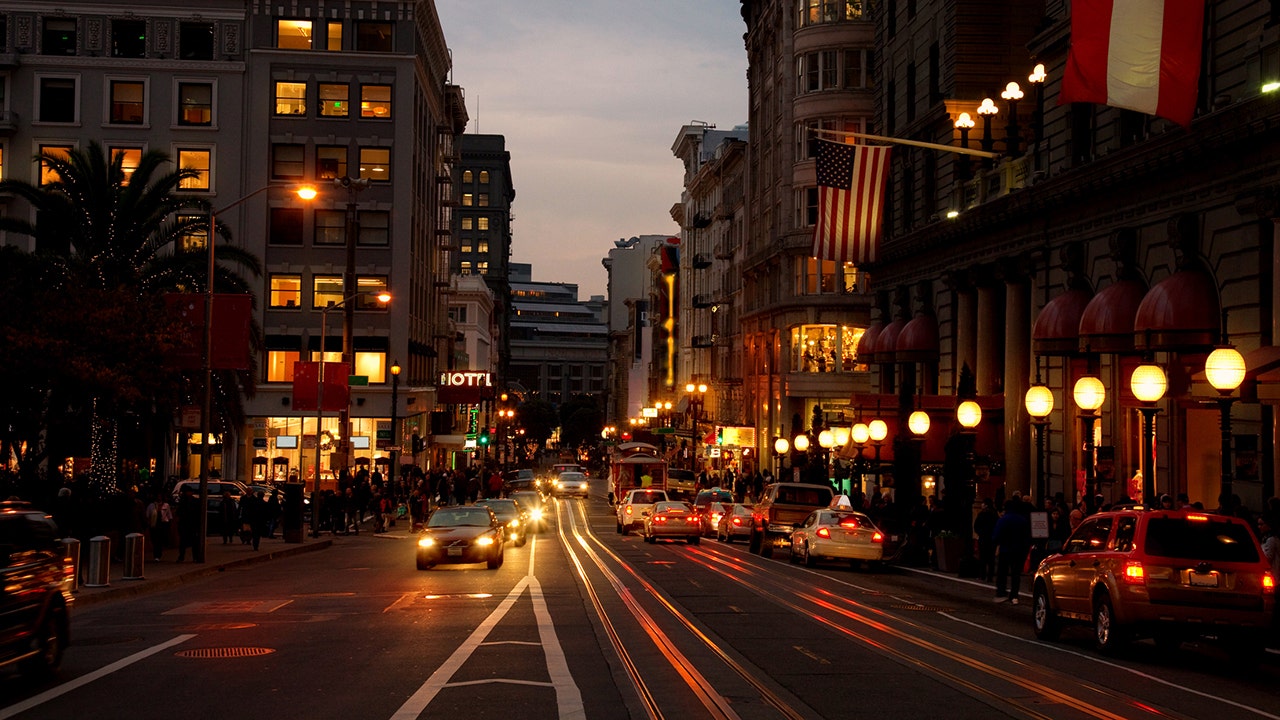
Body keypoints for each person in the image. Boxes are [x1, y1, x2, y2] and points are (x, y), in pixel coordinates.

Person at [992, 497, 1032, 604]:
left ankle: (1001, 592)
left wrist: (997, 544)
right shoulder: (1023, 520)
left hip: (1006, 549)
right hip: (1019, 550)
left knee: (1002, 572)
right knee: (1016, 574)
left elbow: (996, 535)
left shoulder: (1004, 519)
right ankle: (1014, 594)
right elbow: (1027, 536)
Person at [972, 498, 998, 583]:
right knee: (991, 558)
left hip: (983, 538)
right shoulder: (995, 514)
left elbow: (976, 525)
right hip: (991, 539)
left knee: (983, 557)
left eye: (983, 503)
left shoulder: (982, 514)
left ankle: (982, 575)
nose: (981, 505)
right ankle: (990, 576)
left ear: (986, 505)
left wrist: (980, 533)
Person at [145, 494, 173, 561]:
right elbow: (147, 515)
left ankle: (158, 555)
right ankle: (156, 554)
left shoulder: (166, 505)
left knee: (159, 540)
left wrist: (169, 525)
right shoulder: (151, 506)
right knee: (155, 540)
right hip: (154, 525)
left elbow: (169, 515)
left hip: (163, 524)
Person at [176, 486, 201, 562]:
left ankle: (191, 557)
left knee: (191, 542)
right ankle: (192, 557)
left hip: (190, 524)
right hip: (188, 524)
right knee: (189, 542)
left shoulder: (188, 501)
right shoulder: (184, 501)